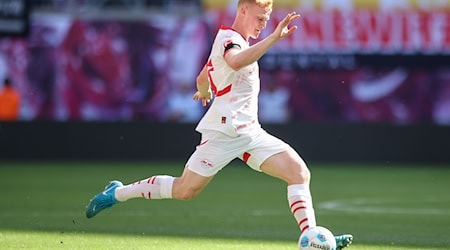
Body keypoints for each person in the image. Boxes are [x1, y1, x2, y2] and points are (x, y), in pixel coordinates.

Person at [86, 0, 353, 248]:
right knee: (184, 190)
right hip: (223, 133)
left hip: (250, 134)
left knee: (298, 173)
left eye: (267, 19)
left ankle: (315, 238)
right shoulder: (229, 39)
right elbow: (235, 61)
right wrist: (274, 38)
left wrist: (203, 90)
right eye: (260, 17)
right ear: (244, 10)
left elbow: (204, 74)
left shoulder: (235, 42)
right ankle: (117, 192)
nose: (263, 24)